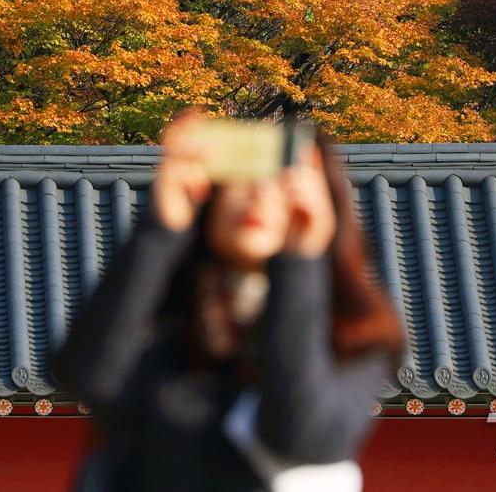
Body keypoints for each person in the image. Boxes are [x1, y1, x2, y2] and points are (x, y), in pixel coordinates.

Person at [52, 108, 407, 491]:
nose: (259, 195)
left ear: (327, 204)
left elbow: (301, 437)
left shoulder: (356, 335)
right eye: (242, 178)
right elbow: (90, 378)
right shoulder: (166, 318)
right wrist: (161, 228)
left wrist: (300, 262)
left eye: (284, 180)